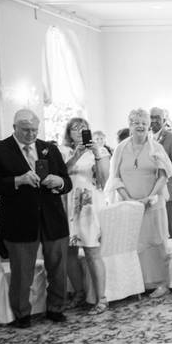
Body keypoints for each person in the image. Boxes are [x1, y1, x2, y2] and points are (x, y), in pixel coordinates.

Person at [0, 109, 73, 327]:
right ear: (14, 128)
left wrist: (58, 182)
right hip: (19, 220)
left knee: (58, 268)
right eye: (25, 130)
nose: (31, 134)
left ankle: (56, 308)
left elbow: (67, 182)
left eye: (34, 129)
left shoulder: (49, 148)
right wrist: (18, 180)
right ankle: (22, 314)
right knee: (22, 271)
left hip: (53, 219)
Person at [109, 108, 172, 298]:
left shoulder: (156, 148)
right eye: (136, 123)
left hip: (152, 203)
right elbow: (115, 177)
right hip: (129, 205)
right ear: (129, 125)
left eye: (144, 123)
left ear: (148, 126)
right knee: (133, 244)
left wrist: (148, 198)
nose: (141, 126)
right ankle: (138, 283)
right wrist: (129, 200)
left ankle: (161, 283)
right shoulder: (121, 148)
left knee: (156, 241)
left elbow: (163, 176)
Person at [60, 117, 110, 314]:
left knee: (92, 251)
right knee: (69, 253)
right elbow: (62, 174)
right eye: (75, 128)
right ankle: (79, 292)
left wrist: (95, 152)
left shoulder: (100, 150)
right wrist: (77, 154)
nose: (80, 131)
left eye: (83, 128)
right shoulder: (62, 151)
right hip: (66, 204)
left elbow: (103, 180)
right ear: (68, 133)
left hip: (89, 206)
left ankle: (101, 298)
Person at [148, 107, 172, 239]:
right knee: (154, 234)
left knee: (170, 233)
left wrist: (159, 167)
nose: (153, 120)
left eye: (157, 117)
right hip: (149, 192)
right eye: (151, 117)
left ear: (164, 120)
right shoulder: (145, 139)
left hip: (169, 191)